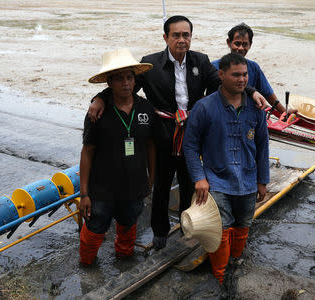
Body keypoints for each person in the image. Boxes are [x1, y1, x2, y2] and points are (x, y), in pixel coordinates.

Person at [87, 16, 267, 250]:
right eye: (176, 35)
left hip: (192, 134)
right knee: (161, 186)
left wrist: (251, 92)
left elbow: (226, 83)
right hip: (161, 134)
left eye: (186, 35)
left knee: (190, 183)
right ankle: (160, 231)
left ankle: (189, 225)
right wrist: (100, 98)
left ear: (191, 37)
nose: (182, 40)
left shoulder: (201, 62)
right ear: (166, 37)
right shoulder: (150, 64)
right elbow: (126, 85)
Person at [183, 53, 270, 284]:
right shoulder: (204, 107)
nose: (241, 80)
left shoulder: (256, 107)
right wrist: (199, 177)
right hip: (216, 179)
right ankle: (220, 274)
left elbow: (263, 145)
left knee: (244, 223)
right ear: (221, 75)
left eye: (245, 75)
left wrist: (263, 180)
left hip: (248, 178)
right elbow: (190, 146)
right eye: (236, 75)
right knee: (220, 226)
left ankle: (236, 262)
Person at [79, 48, 156, 265]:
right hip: (102, 189)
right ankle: (86, 265)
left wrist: (150, 179)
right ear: (109, 83)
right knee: (95, 228)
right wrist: (84, 194)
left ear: (135, 79)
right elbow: (87, 151)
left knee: (129, 223)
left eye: (130, 77)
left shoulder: (146, 109)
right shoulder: (97, 113)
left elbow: (151, 146)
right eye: (119, 78)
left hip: (134, 186)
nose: (126, 83)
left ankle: (124, 258)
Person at [212, 23, 294, 115]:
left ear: (250, 45)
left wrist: (283, 111)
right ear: (229, 43)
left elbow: (268, 94)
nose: (240, 48)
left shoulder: (254, 67)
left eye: (245, 44)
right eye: (237, 44)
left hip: (247, 115)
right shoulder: (213, 66)